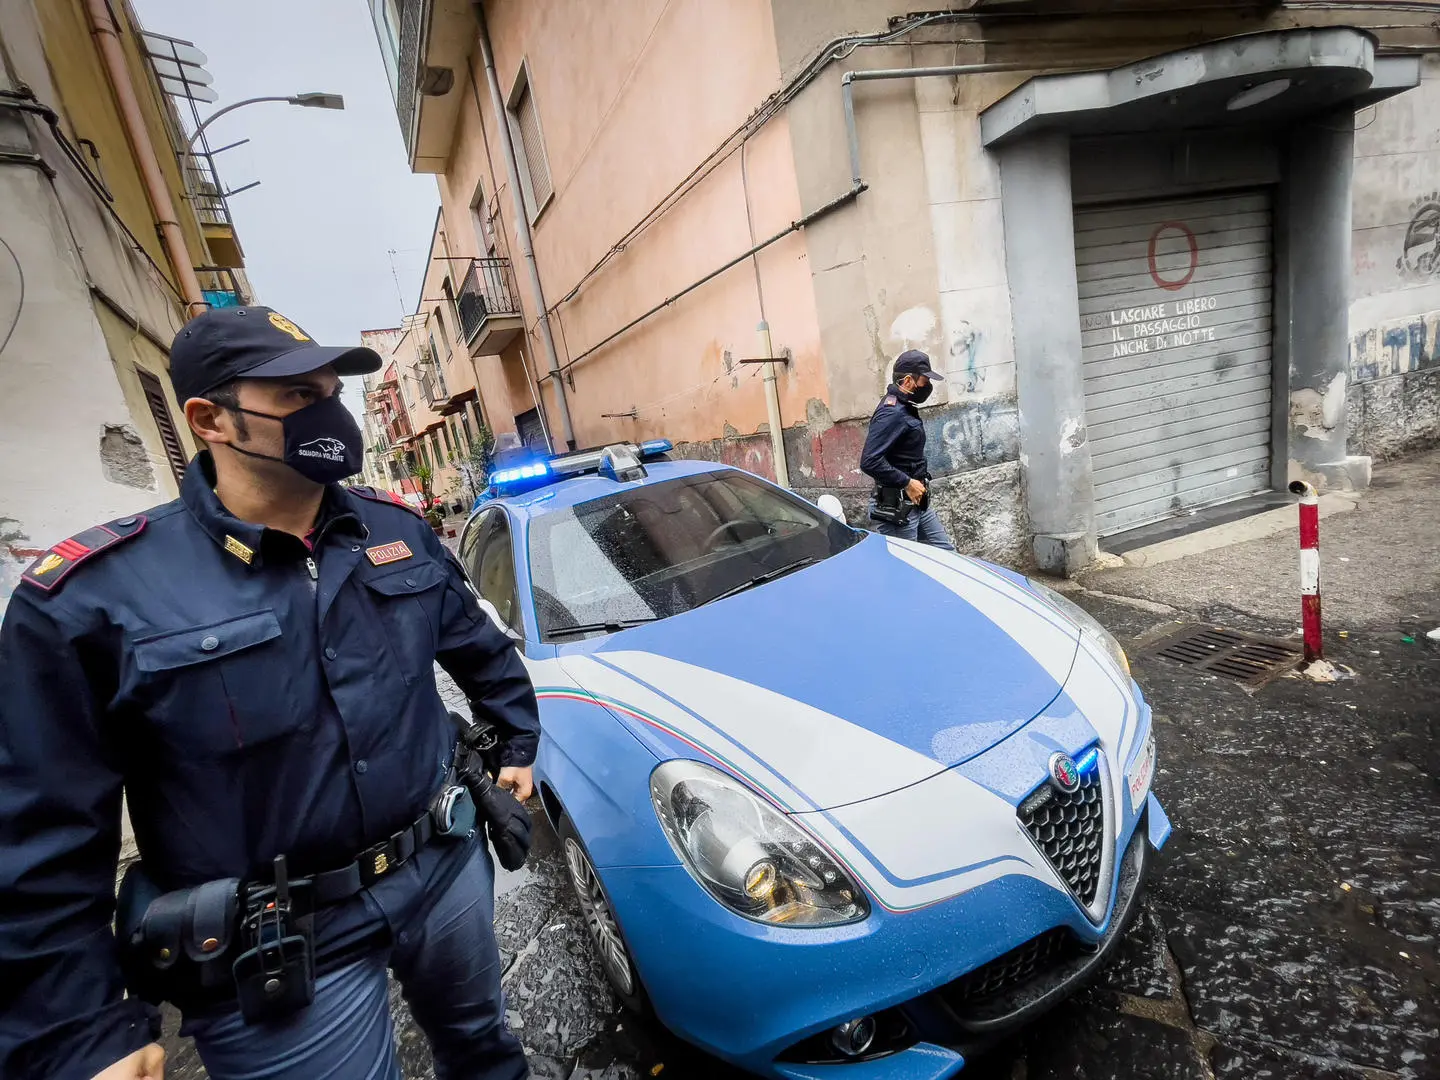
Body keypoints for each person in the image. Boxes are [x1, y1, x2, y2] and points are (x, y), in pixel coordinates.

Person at [0, 306, 538, 1080]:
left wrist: (515, 739)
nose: (329, 415)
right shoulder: (93, 599)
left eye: (331, 392)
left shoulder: (398, 534)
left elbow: (479, 646)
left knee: (486, 1052)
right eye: (295, 397)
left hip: (441, 870)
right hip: (276, 944)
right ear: (209, 418)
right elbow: (38, 838)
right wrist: (79, 1031)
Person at [859, 349, 956, 550]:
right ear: (908, 381)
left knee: (947, 555)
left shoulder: (904, 407)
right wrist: (907, 483)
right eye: (924, 380)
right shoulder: (891, 413)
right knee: (904, 570)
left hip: (918, 502)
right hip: (898, 509)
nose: (928, 386)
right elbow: (869, 460)